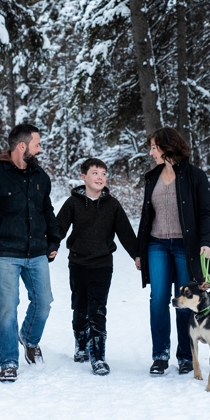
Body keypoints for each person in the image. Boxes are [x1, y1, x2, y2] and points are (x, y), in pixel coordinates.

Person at [0, 123, 59, 383]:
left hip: (37, 252)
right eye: (37, 145)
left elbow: (47, 210)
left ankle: (28, 338)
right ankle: (8, 361)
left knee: (44, 303)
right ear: (22, 146)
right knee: (7, 307)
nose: (40, 150)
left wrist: (54, 240)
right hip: (5, 252)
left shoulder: (41, 177)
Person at [134, 127, 210, 376]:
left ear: (167, 147)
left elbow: (206, 212)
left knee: (184, 300)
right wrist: (139, 250)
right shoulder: (152, 177)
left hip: (185, 246)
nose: (151, 153)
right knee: (158, 299)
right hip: (156, 244)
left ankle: (185, 356)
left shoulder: (195, 176)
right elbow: (147, 216)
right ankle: (160, 356)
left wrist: (207, 242)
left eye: (154, 148)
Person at [54, 157, 139, 376]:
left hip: (102, 264)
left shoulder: (112, 205)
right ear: (83, 177)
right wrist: (51, 246)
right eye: (95, 173)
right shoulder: (73, 203)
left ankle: (98, 356)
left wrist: (137, 255)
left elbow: (126, 233)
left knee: (98, 310)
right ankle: (81, 345)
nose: (100, 177)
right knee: (79, 307)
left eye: (103, 174)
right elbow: (58, 227)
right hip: (78, 263)